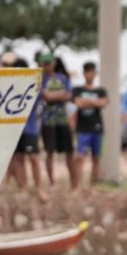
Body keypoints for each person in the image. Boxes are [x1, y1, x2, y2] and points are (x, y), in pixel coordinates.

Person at [9, 57, 47, 202]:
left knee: (34, 158)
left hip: (30, 128)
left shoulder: (34, 84)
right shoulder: (10, 85)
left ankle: (38, 189)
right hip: (14, 129)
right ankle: (23, 188)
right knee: (18, 158)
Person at [37, 53, 76, 190]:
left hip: (62, 119)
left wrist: (54, 96)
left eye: (49, 63)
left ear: (54, 63)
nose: (47, 65)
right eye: (44, 63)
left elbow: (70, 95)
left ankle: (74, 184)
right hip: (48, 120)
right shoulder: (39, 79)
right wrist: (60, 95)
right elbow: (46, 96)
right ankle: (52, 182)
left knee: (69, 151)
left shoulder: (63, 78)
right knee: (49, 151)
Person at [73, 61, 108, 189]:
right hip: (82, 128)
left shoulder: (101, 90)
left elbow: (103, 103)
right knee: (80, 157)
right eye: (88, 72)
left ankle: (92, 187)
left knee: (96, 158)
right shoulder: (77, 89)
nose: (90, 75)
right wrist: (94, 102)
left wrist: (86, 101)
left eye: (92, 72)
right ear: (84, 73)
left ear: (95, 73)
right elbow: (79, 104)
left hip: (97, 128)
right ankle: (77, 186)